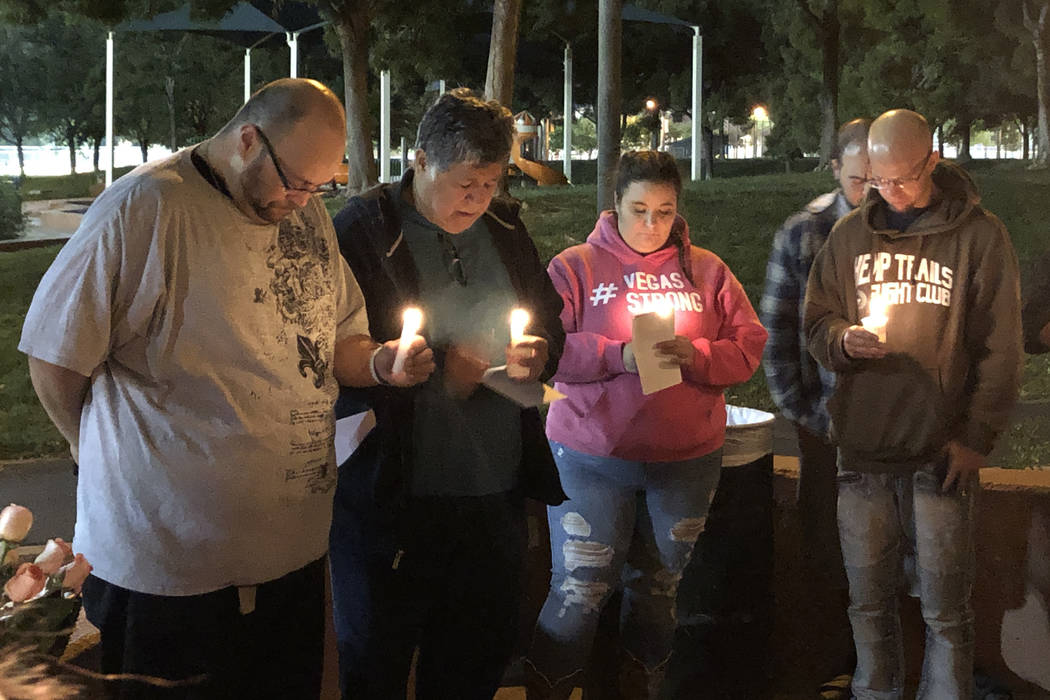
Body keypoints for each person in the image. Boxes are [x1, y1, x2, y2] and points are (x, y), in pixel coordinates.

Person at [18, 78, 433, 699]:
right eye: (296, 181)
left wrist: (379, 365)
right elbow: (55, 357)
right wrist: (88, 447)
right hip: (166, 568)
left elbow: (335, 339)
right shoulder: (147, 209)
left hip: (287, 556)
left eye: (321, 186)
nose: (304, 200)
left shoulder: (306, 216)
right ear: (247, 140)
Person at [328, 88, 567, 699]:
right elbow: (327, 352)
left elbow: (547, 316)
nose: (479, 199)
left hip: (492, 492)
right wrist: (436, 377)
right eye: (466, 182)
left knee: (474, 661)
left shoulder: (505, 228)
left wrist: (539, 350)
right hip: (394, 498)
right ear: (420, 159)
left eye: (491, 183)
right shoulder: (361, 232)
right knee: (378, 662)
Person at [523, 150, 768, 699]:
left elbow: (748, 347)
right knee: (579, 590)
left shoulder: (706, 270)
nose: (651, 225)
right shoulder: (575, 267)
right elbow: (548, 350)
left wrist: (698, 354)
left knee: (658, 590)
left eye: (664, 211)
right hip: (591, 458)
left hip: (685, 461)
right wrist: (619, 355)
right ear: (614, 204)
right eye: (638, 209)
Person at [804, 109, 1023, 699]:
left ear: (932, 161)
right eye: (877, 180)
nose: (890, 193)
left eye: (903, 178)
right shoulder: (850, 236)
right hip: (863, 453)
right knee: (867, 602)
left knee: (946, 611)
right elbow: (817, 320)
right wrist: (842, 341)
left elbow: (1001, 347)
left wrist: (976, 436)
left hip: (939, 453)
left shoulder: (980, 238)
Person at [759, 118, 870, 697]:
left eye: (881, 181)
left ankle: (876, 667)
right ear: (835, 170)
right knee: (826, 545)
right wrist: (806, 414)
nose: (871, 195)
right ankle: (829, 666)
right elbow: (776, 335)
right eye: (859, 182)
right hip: (826, 425)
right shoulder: (804, 233)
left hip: (895, 430)